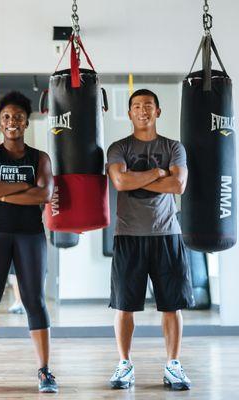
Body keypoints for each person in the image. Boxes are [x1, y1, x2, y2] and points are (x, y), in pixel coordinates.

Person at [0, 91, 57, 393]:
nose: (12, 121)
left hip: (31, 235)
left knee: (34, 301)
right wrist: (21, 187)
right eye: (6, 117)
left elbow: (43, 195)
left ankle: (44, 371)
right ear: (0, 123)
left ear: (26, 122)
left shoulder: (39, 158)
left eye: (17, 117)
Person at [106, 89, 193, 391]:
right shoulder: (118, 148)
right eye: (136, 106)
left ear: (158, 111)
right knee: (124, 306)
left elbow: (178, 185)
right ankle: (124, 364)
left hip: (167, 234)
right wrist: (158, 173)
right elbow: (119, 181)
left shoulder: (174, 146)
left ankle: (173, 365)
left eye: (148, 106)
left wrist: (138, 177)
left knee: (172, 305)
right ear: (129, 113)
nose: (142, 111)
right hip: (128, 235)